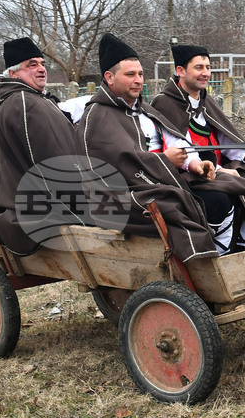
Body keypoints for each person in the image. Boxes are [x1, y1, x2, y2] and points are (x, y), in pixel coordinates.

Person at [75, 33, 219, 262]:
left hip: (157, 180)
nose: (139, 80)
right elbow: (120, 165)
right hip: (118, 196)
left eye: (141, 74)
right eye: (130, 74)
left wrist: (195, 163)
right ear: (109, 77)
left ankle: (225, 252)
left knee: (225, 191)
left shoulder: (143, 110)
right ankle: (201, 262)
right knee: (175, 203)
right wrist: (164, 160)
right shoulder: (97, 116)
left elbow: (173, 140)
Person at [150, 44, 245, 247]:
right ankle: (228, 244)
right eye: (199, 67)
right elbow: (181, 150)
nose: (206, 73)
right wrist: (218, 169)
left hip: (220, 167)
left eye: (208, 68)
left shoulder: (206, 100)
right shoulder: (165, 103)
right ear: (180, 71)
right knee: (227, 188)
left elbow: (224, 139)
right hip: (192, 174)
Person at [0, 37, 81, 255]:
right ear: (13, 73)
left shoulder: (34, 100)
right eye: (31, 65)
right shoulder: (22, 102)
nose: (41, 69)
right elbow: (47, 167)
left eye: (42, 64)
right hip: (35, 216)